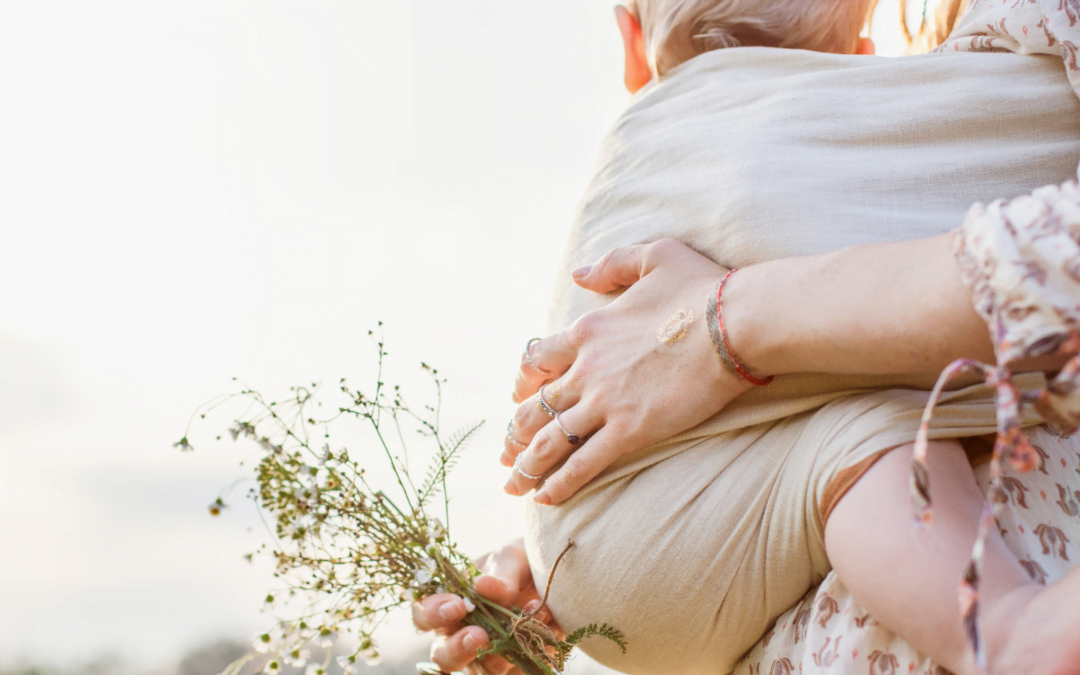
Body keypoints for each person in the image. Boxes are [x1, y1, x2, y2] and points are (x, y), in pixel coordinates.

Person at [420, 0, 1080, 673]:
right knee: (866, 429)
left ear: (630, 42)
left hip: (600, 558)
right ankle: (1008, 633)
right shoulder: (854, 141)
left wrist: (594, 528)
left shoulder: (643, 154)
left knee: (858, 419)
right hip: (664, 539)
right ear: (860, 59)